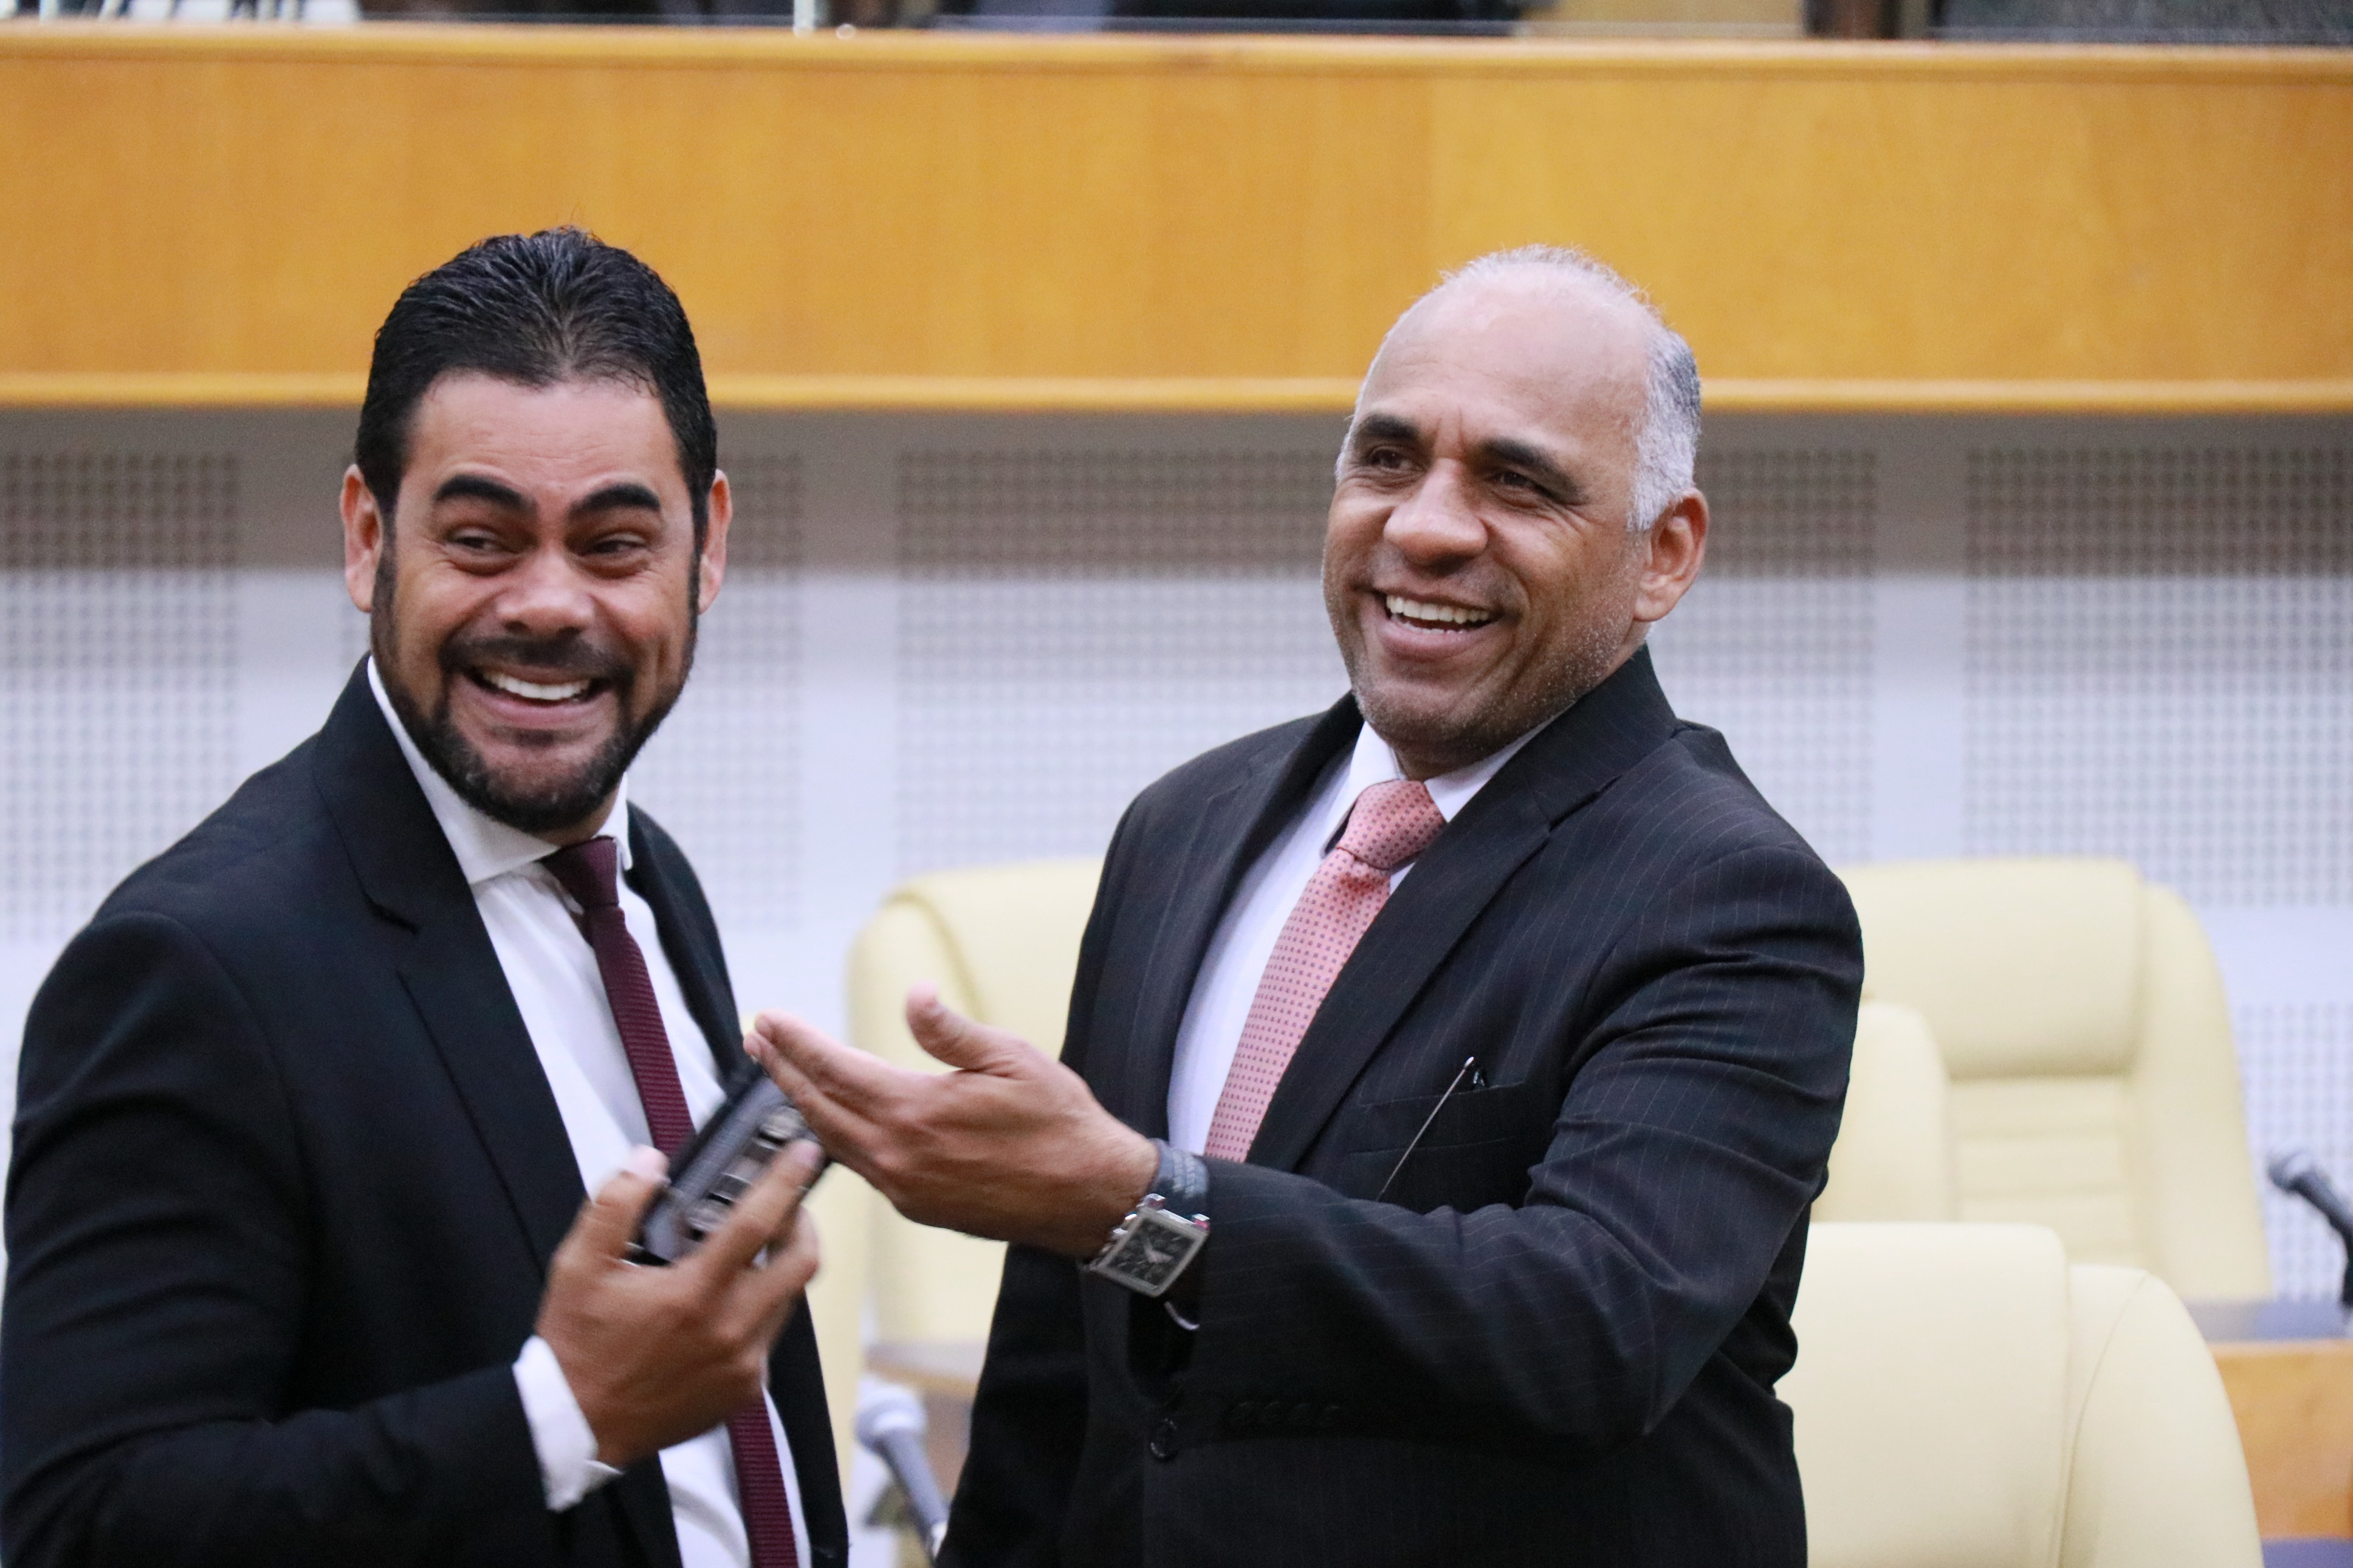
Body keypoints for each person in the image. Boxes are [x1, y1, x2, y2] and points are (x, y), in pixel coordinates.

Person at [752, 245, 1863, 1567]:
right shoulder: (1183, 826)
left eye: (1517, 482)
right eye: (1386, 460)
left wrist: (1140, 1205)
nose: (1427, 528)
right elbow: (1061, 1364)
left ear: (1662, 555)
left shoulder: (1733, 897)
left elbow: (1590, 1328)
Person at [2, 229, 847, 1568]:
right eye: (481, 539)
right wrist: (556, 1420)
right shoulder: (194, 968)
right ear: (367, 539)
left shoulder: (641, 874)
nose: (550, 604)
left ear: (708, 548)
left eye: (615, 544)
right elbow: (84, 1522)